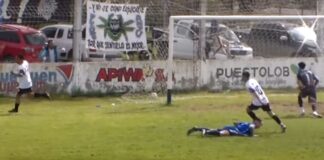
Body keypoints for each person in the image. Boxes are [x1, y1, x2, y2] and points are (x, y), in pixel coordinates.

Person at [187, 121, 260, 137]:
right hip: (234, 130)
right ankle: (206, 133)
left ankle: (197, 128)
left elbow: (236, 123)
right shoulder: (252, 124)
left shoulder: (245, 122)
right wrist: (252, 136)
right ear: (256, 122)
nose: (260, 125)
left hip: (231, 127)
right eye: (260, 123)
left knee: (216, 130)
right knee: (222, 134)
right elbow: (250, 131)